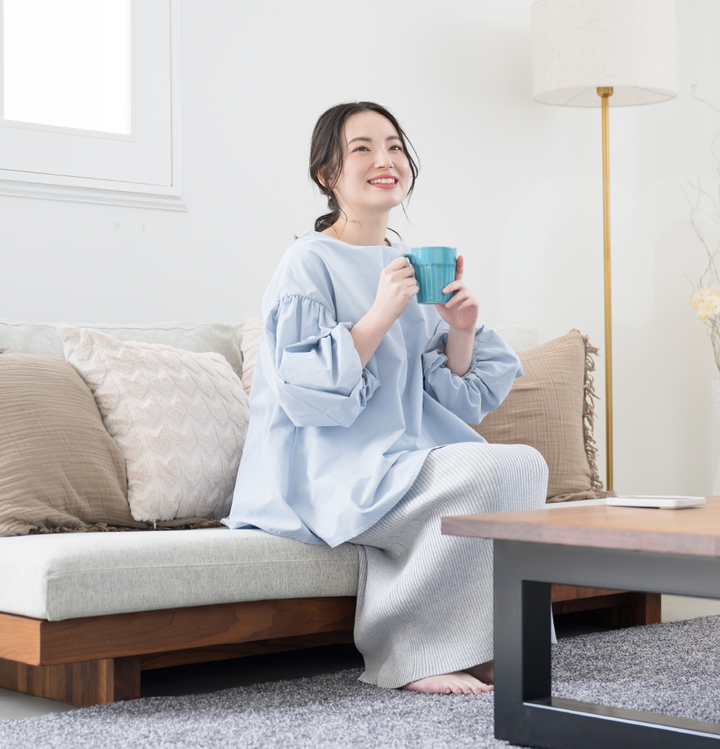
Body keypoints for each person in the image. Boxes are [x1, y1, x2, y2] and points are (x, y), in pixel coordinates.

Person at [224, 101, 547, 695]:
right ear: (329, 174)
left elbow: (457, 401)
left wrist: (461, 329)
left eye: (395, 146)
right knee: (484, 471)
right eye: (363, 148)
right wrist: (378, 316)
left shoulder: (406, 268)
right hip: (322, 467)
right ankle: (413, 654)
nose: (385, 160)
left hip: (401, 452)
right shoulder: (306, 263)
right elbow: (306, 399)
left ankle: (493, 647)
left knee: (521, 462)